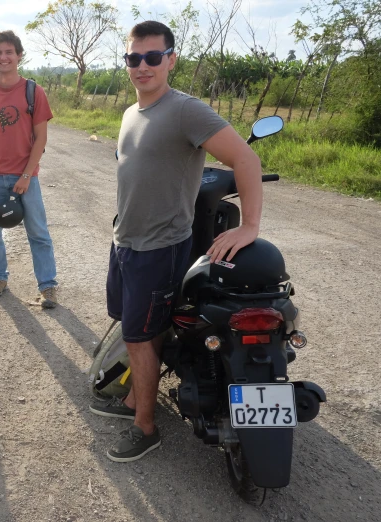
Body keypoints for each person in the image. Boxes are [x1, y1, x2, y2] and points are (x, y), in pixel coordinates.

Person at [89, 21, 265, 462]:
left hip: (158, 248)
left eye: (152, 57)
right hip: (126, 239)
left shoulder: (185, 110)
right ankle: (133, 399)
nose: (142, 66)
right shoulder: (132, 112)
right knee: (136, 329)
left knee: (140, 337)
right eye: (133, 58)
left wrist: (250, 227)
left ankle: (145, 428)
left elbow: (245, 157)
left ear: (171, 59)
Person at [0, 30, 59, 308]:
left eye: (9, 52)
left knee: (38, 233)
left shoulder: (34, 91)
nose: (3, 57)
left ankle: (48, 286)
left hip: (26, 177)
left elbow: (41, 138)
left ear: (19, 55)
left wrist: (27, 175)